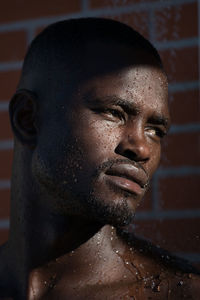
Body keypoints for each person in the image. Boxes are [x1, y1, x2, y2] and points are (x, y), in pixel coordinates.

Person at [0, 18, 199, 299]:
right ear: (28, 119)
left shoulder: (179, 293)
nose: (142, 148)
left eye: (156, 130)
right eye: (114, 113)